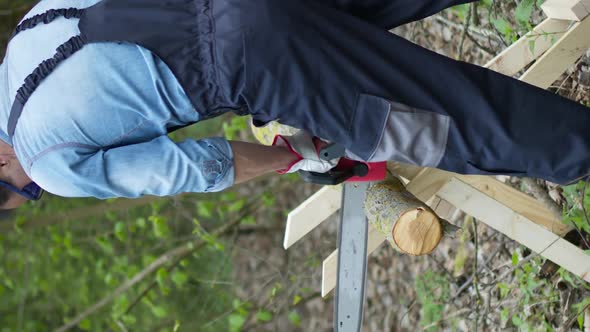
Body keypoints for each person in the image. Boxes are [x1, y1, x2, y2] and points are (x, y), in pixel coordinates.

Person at [1, 0, 589, 209]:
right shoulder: (28, 32)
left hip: (256, 58)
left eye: (19, 194)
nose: (32, 192)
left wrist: (294, 156)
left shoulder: (48, 160)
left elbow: (196, 166)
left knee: (447, 128)